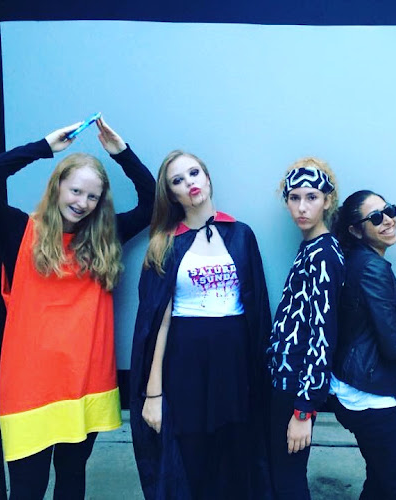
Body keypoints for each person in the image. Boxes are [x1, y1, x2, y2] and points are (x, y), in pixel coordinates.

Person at [0, 118, 155, 499]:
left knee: (72, 479)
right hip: (29, 387)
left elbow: (153, 203)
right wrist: (43, 147)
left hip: (84, 383)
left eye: (92, 196)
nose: (82, 203)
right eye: (76, 190)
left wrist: (122, 153)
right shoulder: (19, 231)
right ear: (57, 186)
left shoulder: (106, 237)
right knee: (27, 489)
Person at [130, 150, 272, 499]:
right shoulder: (165, 243)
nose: (189, 182)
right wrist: (153, 394)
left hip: (235, 363)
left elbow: (257, 311)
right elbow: (157, 324)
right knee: (191, 455)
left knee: (236, 453)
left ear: (207, 178)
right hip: (186, 364)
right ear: (172, 195)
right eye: (177, 180)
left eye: (194, 173)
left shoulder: (241, 234)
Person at [330, 190, 396, 499]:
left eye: (389, 211)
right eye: (375, 218)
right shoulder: (372, 268)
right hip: (367, 394)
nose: (387, 220)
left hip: (355, 385)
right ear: (356, 230)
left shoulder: (360, 261)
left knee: (381, 483)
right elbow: (395, 347)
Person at [266, 157, 345, 499]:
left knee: (289, 479)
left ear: (327, 201)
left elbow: (323, 334)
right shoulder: (310, 248)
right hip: (283, 380)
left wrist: (303, 409)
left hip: (296, 387)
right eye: (294, 197)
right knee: (281, 473)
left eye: (311, 197)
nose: (301, 207)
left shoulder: (324, 254)